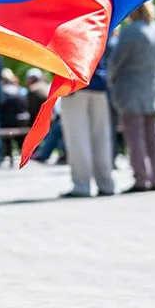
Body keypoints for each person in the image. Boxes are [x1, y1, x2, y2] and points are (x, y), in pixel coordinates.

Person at [109, 1, 155, 193]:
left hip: (131, 88)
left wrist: (111, 80)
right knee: (154, 135)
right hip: (152, 87)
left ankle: (141, 178)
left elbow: (116, 61)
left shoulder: (131, 31)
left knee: (135, 136)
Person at [58, 45, 115, 198]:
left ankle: (82, 185)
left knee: (77, 137)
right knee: (101, 137)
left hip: (73, 79)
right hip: (99, 80)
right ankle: (106, 182)